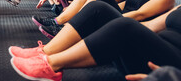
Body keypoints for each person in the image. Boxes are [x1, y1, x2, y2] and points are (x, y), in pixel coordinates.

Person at [9, 5, 181, 81]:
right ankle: (46, 53)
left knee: (125, 25)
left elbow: (140, 16)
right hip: (155, 47)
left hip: (166, 68)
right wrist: (110, 28)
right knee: (99, 8)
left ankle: (51, 66)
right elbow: (150, 26)